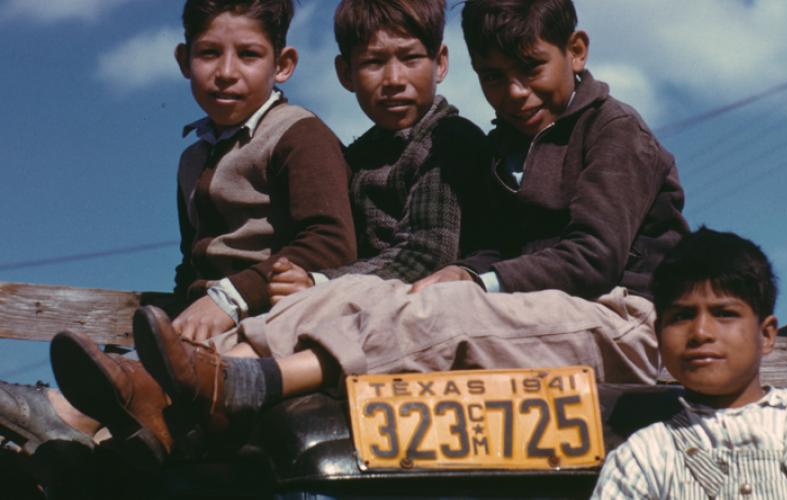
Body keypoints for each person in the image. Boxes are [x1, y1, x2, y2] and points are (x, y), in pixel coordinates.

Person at [54, 0, 687, 458]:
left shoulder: (613, 132)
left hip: (621, 317)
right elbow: (500, 246)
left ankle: (249, 379)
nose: (515, 92)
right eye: (494, 77)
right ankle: (142, 405)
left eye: (531, 69)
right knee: (353, 293)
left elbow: (595, 256)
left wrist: (472, 275)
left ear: (576, 51)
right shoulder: (509, 146)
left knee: (439, 308)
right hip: (544, 313)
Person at [0, 0, 356, 461]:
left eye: (248, 55)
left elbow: (330, 242)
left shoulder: (299, 136)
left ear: (283, 65)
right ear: (184, 61)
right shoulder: (194, 157)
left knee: (138, 390)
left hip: (273, 319)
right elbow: (191, 262)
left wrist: (231, 297)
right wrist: (176, 314)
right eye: (209, 54)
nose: (226, 72)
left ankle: (66, 415)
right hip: (205, 330)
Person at [593, 227, 787, 499]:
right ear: (659, 335)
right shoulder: (643, 459)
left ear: (767, 334)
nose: (700, 333)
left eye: (724, 313)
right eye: (681, 316)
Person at [264, 0, 489, 306]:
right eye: (373, 62)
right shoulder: (357, 156)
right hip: (367, 302)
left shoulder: (448, 141)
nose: (394, 80)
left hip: (433, 304)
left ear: (440, 63)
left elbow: (426, 257)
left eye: (410, 58)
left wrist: (319, 285)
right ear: (345, 73)